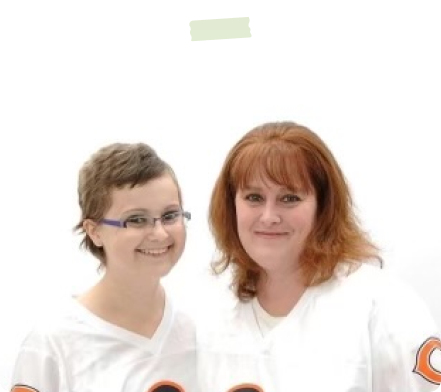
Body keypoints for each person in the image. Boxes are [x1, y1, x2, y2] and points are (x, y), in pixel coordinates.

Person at [197, 121, 441, 392]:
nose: (269, 216)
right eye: (253, 197)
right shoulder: (206, 312)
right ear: (231, 206)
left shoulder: (384, 307)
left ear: (323, 206)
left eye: (289, 198)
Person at [10, 143, 198, 392]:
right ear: (94, 231)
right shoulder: (51, 345)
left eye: (170, 215)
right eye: (136, 219)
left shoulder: (199, 328)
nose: (160, 233)